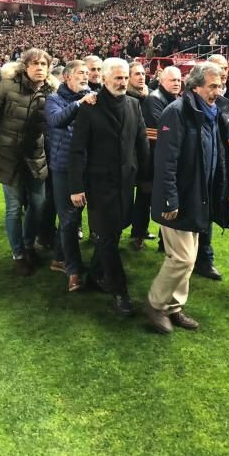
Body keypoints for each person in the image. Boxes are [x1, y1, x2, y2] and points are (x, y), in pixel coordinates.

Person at [145, 63, 229, 334]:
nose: (217, 91)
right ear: (195, 87)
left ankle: (174, 307)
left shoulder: (213, 112)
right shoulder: (177, 112)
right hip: (178, 199)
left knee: (190, 258)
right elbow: (166, 161)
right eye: (212, 86)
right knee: (181, 258)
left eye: (219, 85)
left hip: (198, 196)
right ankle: (155, 304)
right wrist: (170, 199)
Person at [69, 57, 150, 316]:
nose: (123, 82)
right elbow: (77, 151)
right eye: (118, 78)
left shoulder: (134, 105)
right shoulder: (89, 107)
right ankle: (120, 291)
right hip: (98, 185)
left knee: (113, 234)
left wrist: (147, 178)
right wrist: (76, 186)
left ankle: (94, 275)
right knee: (106, 238)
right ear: (103, 79)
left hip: (126, 183)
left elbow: (142, 145)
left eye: (125, 78)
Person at [0, 49, 54, 276]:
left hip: (36, 158)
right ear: (25, 66)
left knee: (38, 205)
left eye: (43, 64)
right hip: (8, 158)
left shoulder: (51, 91)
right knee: (14, 209)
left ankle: (27, 244)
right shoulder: (6, 87)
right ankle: (18, 254)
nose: (39, 68)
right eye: (34, 64)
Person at [45, 61, 97, 291]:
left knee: (73, 216)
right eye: (80, 74)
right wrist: (79, 103)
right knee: (69, 218)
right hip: (63, 167)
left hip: (88, 166)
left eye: (87, 73)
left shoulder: (93, 97)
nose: (86, 77)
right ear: (67, 77)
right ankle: (73, 270)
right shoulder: (53, 100)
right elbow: (57, 121)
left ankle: (58, 258)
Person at [193, 53, 229, 280]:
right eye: (218, 68)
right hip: (201, 162)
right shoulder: (199, 99)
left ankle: (204, 258)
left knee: (211, 210)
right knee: (197, 210)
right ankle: (197, 257)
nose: (224, 71)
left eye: (226, 67)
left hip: (220, 159)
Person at [131, 65, 182, 250]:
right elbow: (163, 128)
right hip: (151, 160)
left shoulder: (175, 99)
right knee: (145, 199)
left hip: (163, 159)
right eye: (172, 80)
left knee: (161, 200)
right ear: (161, 81)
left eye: (178, 80)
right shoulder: (154, 100)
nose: (177, 83)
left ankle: (161, 240)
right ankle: (138, 234)